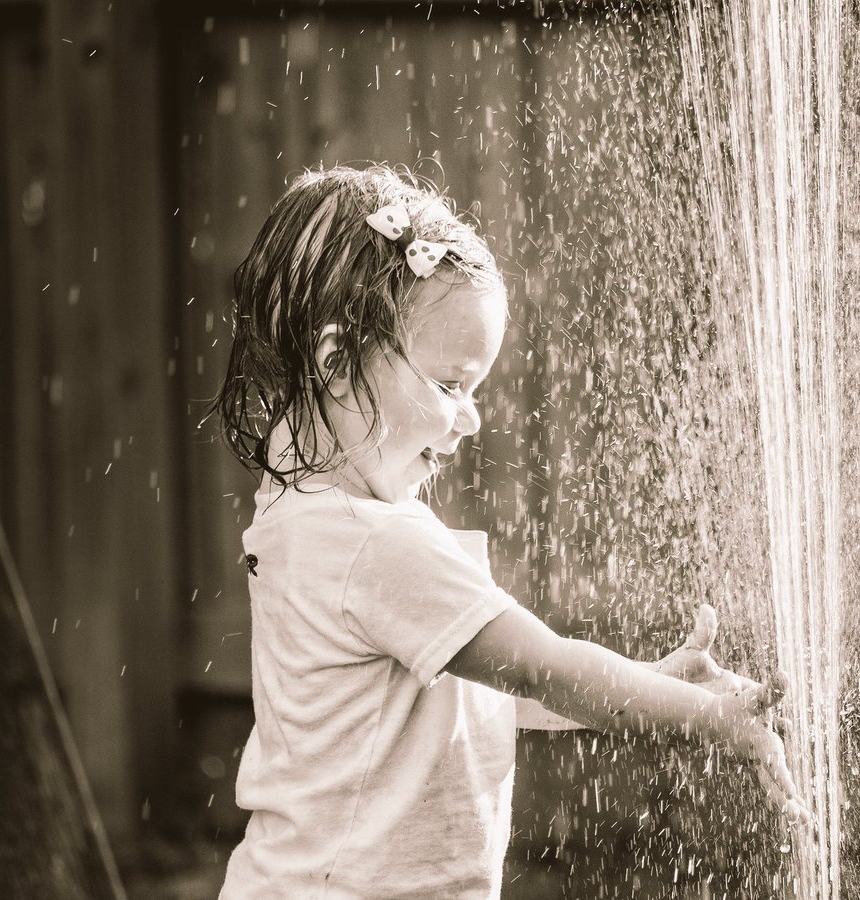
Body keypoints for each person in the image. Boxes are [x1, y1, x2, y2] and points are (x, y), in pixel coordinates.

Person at [212, 165, 809, 899]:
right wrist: (712, 720)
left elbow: (489, 686)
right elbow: (540, 666)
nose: (470, 419)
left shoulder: (303, 511)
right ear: (336, 362)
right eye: (448, 384)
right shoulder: (372, 543)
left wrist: (652, 684)